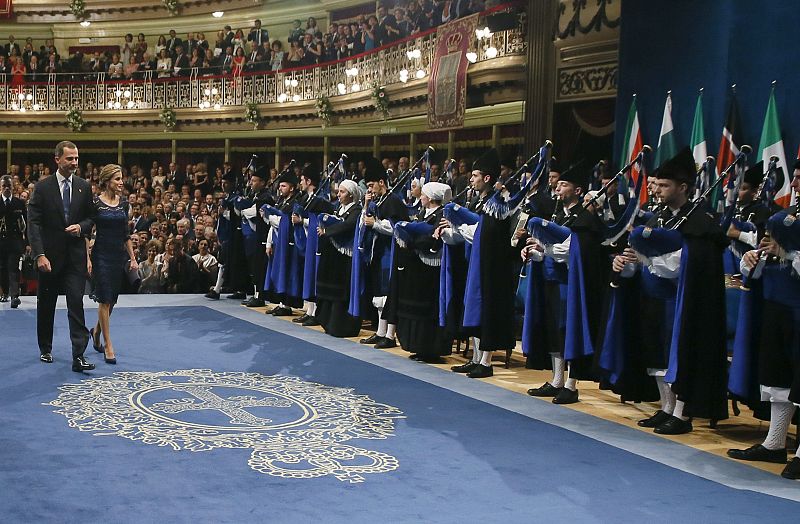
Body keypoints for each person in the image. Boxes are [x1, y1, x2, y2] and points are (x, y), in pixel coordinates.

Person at [27, 141, 96, 372]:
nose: (75, 162)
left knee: (76, 303)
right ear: (57, 159)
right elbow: (34, 224)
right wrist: (39, 254)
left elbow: (91, 218)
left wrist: (81, 227)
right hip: (49, 257)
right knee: (46, 304)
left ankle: (79, 355)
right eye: (70, 158)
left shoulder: (84, 186)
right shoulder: (42, 187)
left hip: (75, 257)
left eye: (76, 158)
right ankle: (45, 347)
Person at [88, 164, 138, 365]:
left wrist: (133, 258)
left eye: (121, 178)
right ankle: (108, 344)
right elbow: (87, 231)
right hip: (101, 255)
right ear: (107, 181)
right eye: (117, 179)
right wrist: (87, 257)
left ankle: (96, 331)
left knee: (112, 300)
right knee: (105, 299)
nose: (121, 182)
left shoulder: (123, 204)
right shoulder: (95, 203)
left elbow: (126, 234)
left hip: (118, 256)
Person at [0, 175, 26, 308]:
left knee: (13, 268)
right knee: (2, 268)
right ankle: (4, 293)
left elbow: (26, 225)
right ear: (0, 187)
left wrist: (27, 244)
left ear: (13, 187)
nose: (6, 188)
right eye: (4, 186)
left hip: (15, 241)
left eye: (8, 186)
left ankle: (15, 296)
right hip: (1, 241)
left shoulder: (19, 203)